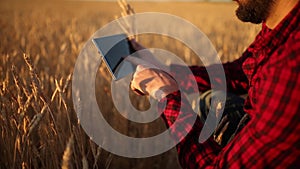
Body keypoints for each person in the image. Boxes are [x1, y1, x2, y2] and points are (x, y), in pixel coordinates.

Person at [127, 0, 300, 168]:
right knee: (211, 101)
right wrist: (165, 71)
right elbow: (240, 72)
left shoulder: (290, 70)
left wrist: (167, 96)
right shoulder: (282, 24)